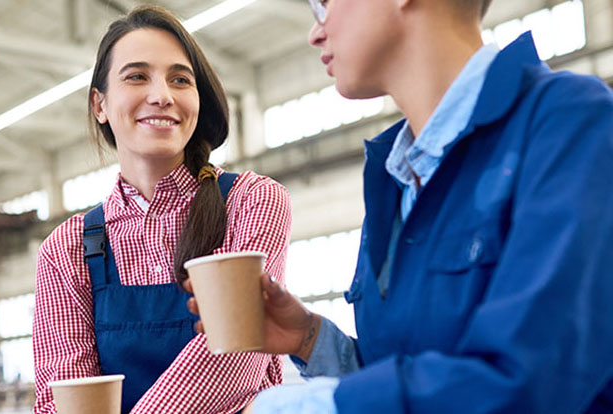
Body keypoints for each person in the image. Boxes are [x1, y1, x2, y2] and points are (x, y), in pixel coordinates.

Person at [185, 0, 613, 412]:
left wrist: (303, 407)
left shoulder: (569, 124)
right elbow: (407, 376)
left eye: (324, 3)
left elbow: (524, 384)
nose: (315, 33)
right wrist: (310, 338)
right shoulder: (395, 177)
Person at [32, 6, 291, 413]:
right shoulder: (68, 248)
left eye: (180, 79)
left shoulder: (250, 202)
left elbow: (234, 355)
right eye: (137, 76)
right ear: (99, 104)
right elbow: (62, 394)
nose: (162, 95)